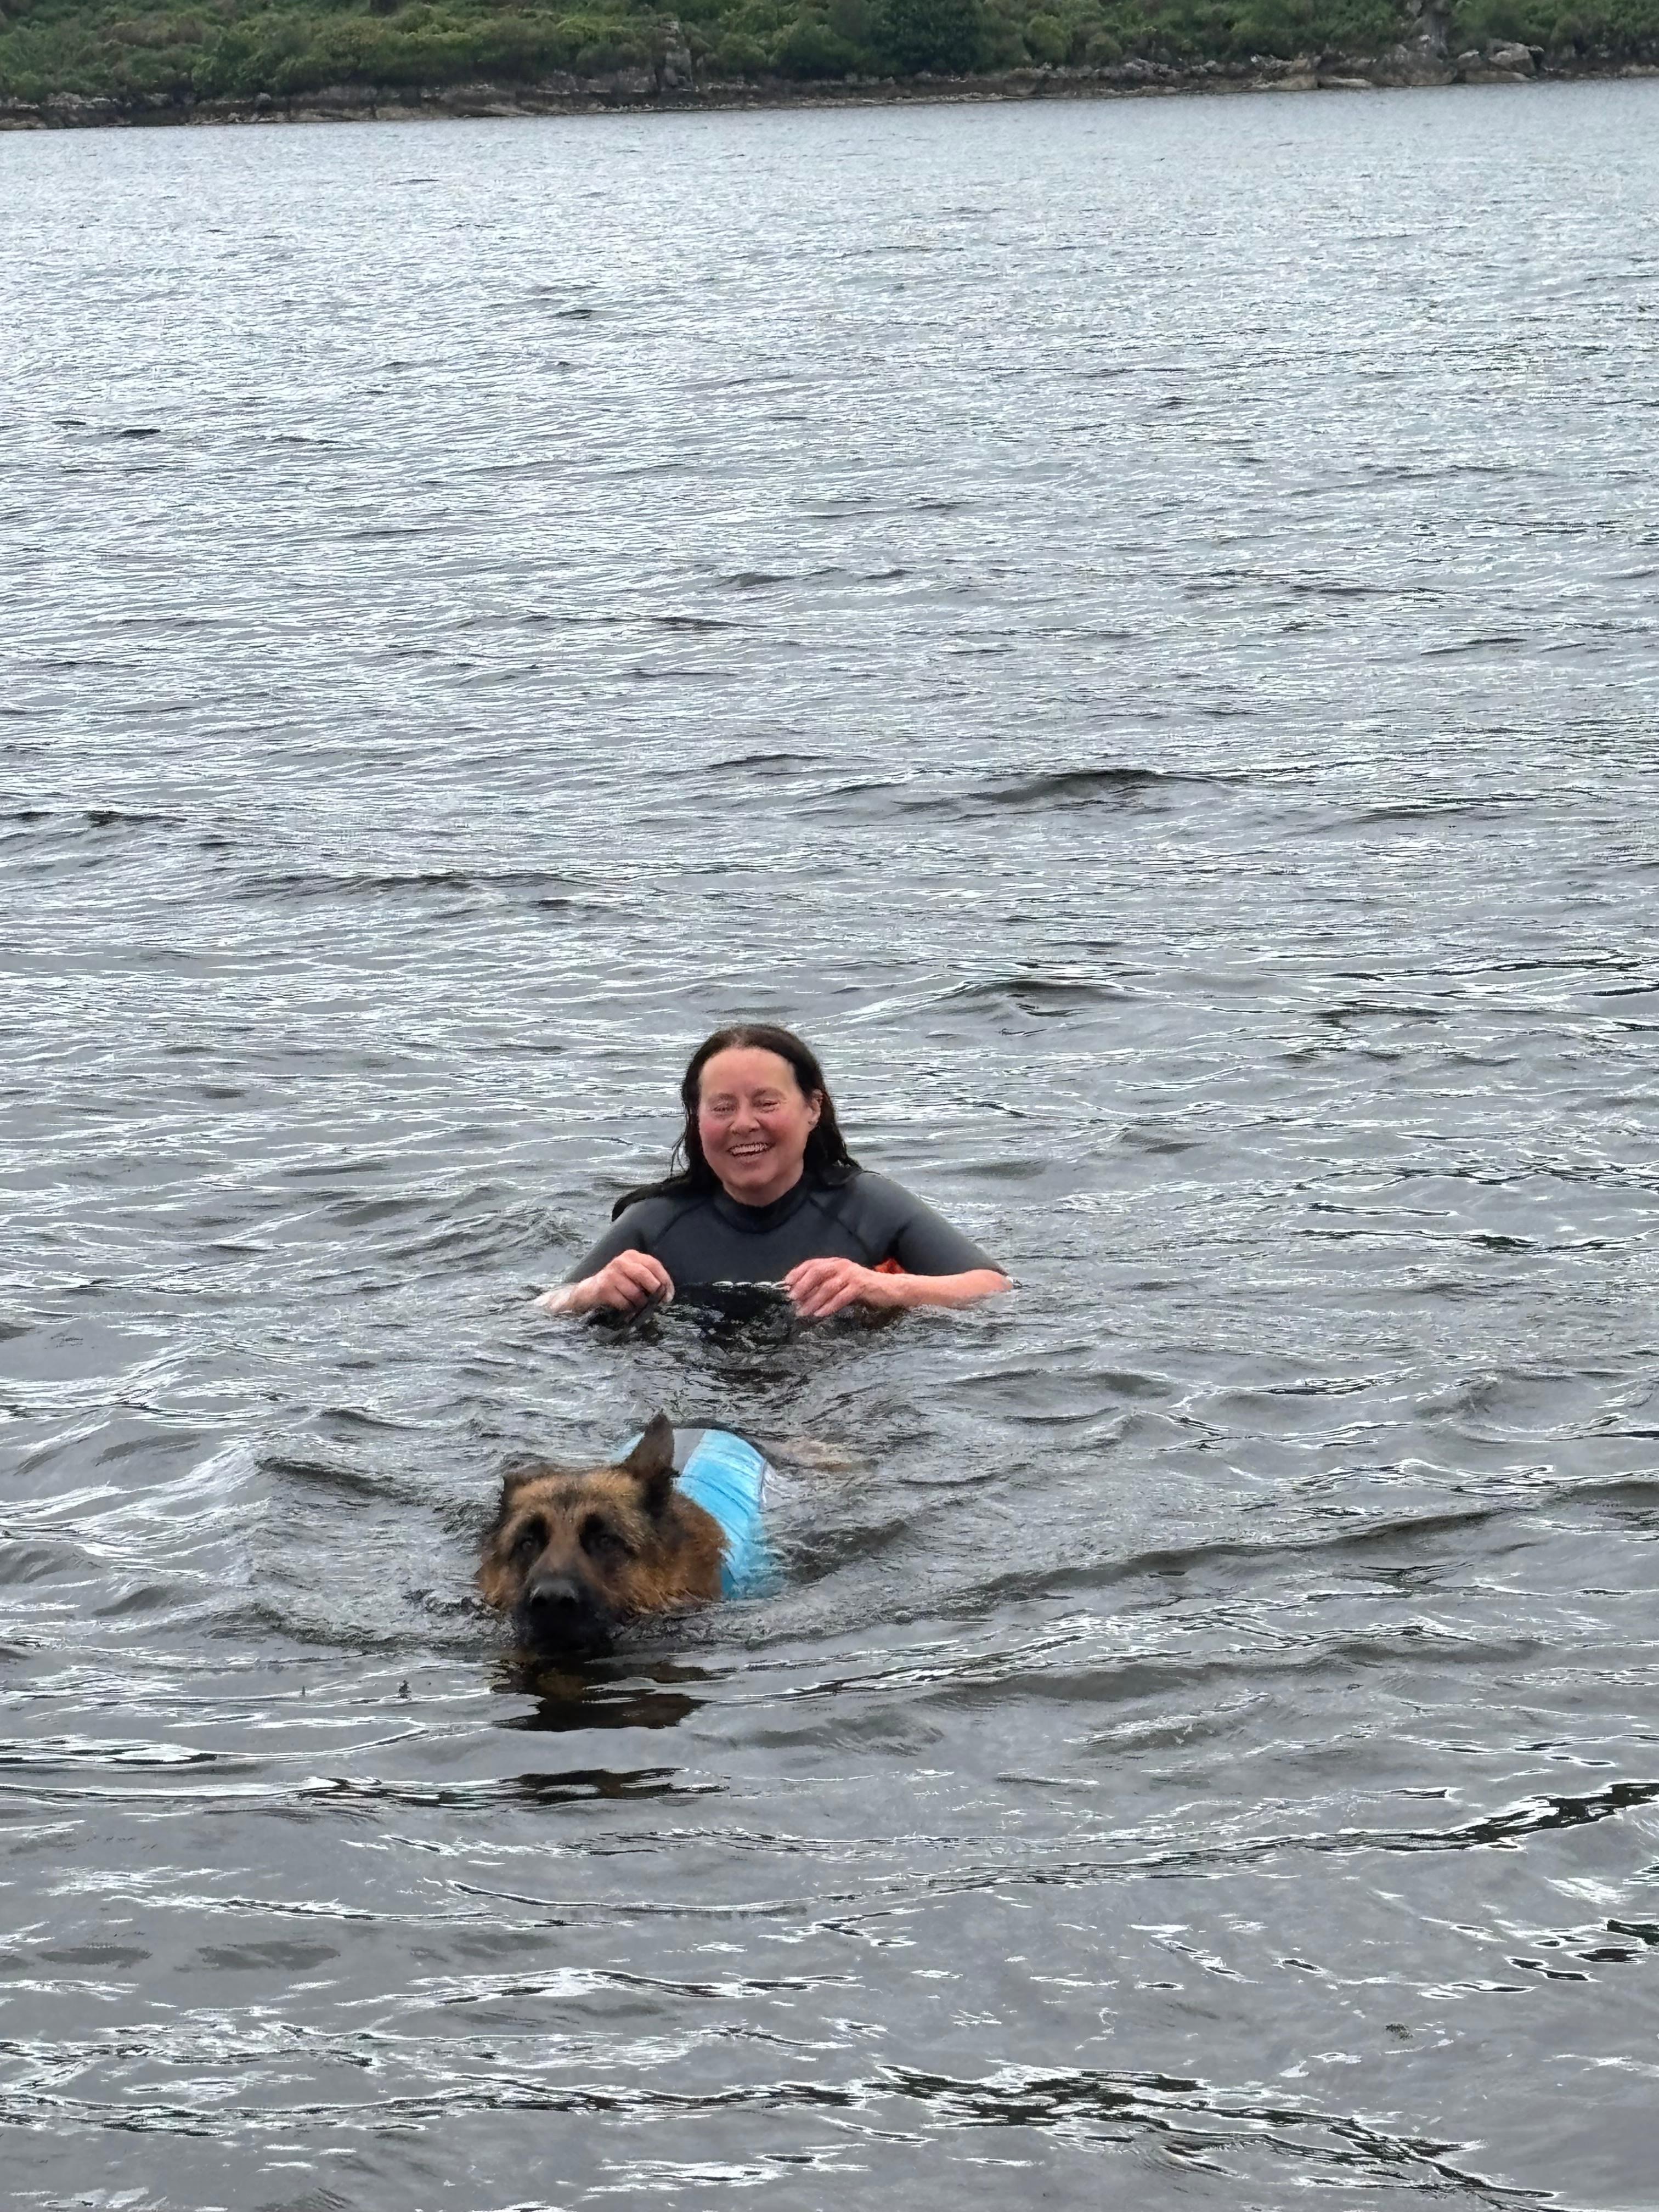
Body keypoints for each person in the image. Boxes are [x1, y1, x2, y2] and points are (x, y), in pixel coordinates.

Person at [537, 1024, 1011, 1321]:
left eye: (766, 1103)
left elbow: (995, 1289)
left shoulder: (868, 1206)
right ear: (696, 1119)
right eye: (722, 1107)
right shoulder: (654, 1222)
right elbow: (540, 1310)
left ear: (813, 1108)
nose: (744, 1124)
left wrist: (881, 1287)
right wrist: (590, 1292)